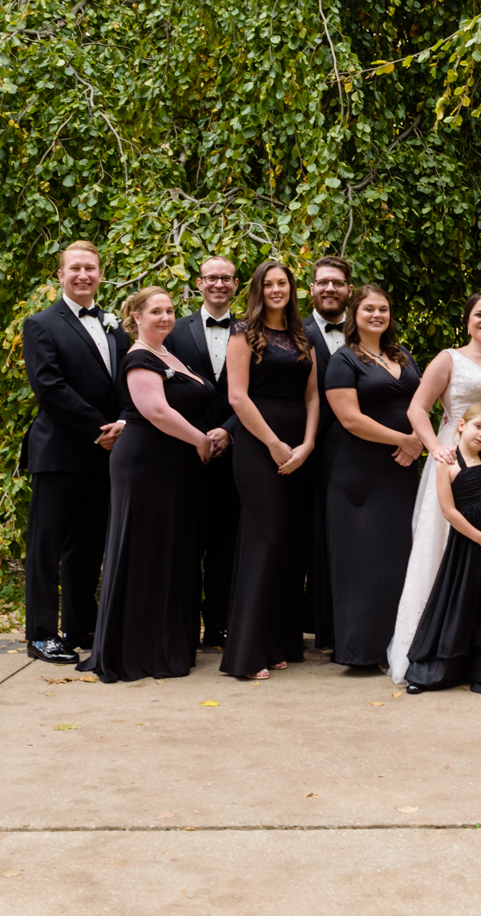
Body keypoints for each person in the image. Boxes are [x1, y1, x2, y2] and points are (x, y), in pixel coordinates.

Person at [388, 290, 481, 683]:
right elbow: (417, 408)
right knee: (445, 552)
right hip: (456, 468)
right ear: (467, 320)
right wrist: (437, 449)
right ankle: (436, 650)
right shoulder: (449, 359)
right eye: (479, 314)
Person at [80, 288, 217, 682]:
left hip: (175, 467)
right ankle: (137, 649)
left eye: (170, 310)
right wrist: (201, 439)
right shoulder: (139, 357)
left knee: (170, 552)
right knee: (145, 551)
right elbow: (156, 411)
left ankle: (167, 641)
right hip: (147, 465)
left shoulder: (169, 356)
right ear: (136, 316)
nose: (165, 317)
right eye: (155, 311)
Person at [20, 241, 126, 664]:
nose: (83, 275)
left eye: (91, 268)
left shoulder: (115, 326)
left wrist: (122, 422)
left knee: (88, 546)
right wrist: (97, 429)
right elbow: (50, 388)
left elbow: (125, 380)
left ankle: (80, 626)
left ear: (100, 274)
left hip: (104, 454)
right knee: (47, 546)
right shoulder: (41, 324)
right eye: (75, 269)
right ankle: (42, 634)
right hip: (61, 452)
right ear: (60, 275)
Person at [219, 259, 321, 681]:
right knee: (263, 540)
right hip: (260, 449)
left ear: (292, 289)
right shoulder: (243, 334)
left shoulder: (303, 338)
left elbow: (313, 398)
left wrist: (308, 444)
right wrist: (275, 444)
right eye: (269, 284)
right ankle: (246, 653)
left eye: (283, 283)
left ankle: (278, 641)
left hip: (300, 447)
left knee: (288, 546)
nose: (277, 289)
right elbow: (238, 398)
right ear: (258, 290)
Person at [322, 283, 424, 669]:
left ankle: (391, 645)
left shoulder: (403, 355)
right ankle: (358, 650)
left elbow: (418, 402)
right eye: (368, 309)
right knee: (363, 561)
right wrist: (405, 440)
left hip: (400, 472)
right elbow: (349, 419)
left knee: (395, 558)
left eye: (383, 309)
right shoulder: (344, 360)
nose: (377, 315)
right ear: (355, 314)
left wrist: (417, 440)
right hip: (360, 473)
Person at [403, 404, 481, 694]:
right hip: (468, 544)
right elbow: (449, 510)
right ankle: (436, 670)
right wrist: (478, 536)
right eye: (479, 426)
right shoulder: (448, 462)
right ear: (462, 425)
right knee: (459, 599)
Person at [164, 256, 241, 650]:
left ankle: (219, 625)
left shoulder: (249, 332)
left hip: (234, 452)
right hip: (184, 452)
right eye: (212, 278)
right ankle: (181, 626)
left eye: (226, 279)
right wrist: (196, 435)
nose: (218, 284)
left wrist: (227, 431)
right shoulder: (174, 331)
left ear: (236, 285)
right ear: (199, 283)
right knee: (186, 542)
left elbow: (253, 392)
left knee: (226, 544)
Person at [303, 255, 354, 653]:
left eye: (337, 282)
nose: (330, 289)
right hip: (305, 449)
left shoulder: (369, 331)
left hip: (355, 451)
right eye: (323, 282)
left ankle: (345, 626)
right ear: (312, 289)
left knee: (346, 539)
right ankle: (311, 628)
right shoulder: (294, 332)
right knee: (306, 541)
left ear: (349, 290)